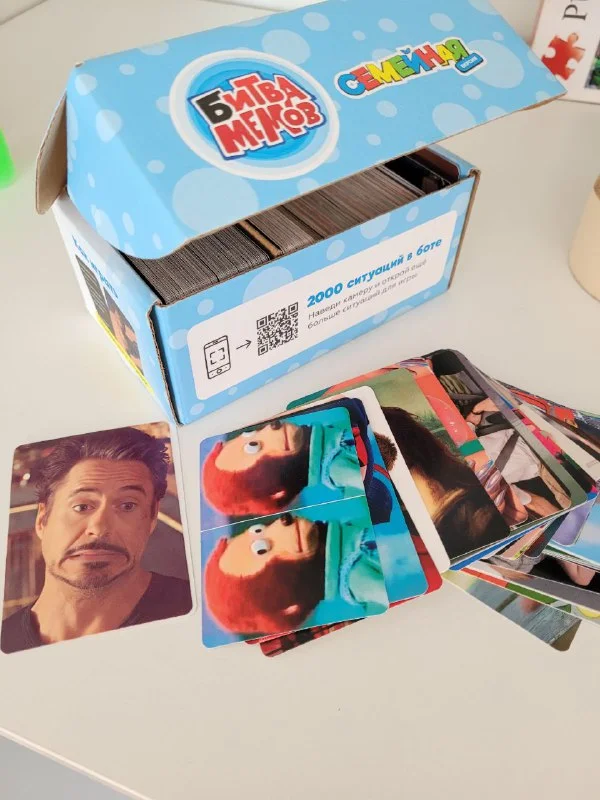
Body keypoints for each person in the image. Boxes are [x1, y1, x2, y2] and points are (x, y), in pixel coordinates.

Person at [1, 427, 192, 653]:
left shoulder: (204, 611)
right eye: (82, 507)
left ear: (151, 519)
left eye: (127, 506)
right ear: (42, 519)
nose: (99, 529)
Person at [204, 511, 387, 636]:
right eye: (262, 549)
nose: (282, 521)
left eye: (259, 530)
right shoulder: (357, 576)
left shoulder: (345, 529)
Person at [202, 411, 364, 517]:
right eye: (254, 446)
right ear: (276, 493)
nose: (271, 427)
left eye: (251, 434)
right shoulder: (337, 468)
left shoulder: (327, 431)